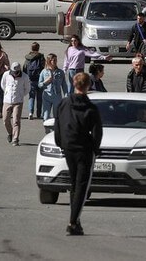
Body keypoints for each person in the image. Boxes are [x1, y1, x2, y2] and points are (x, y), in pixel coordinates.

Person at [54, 72, 103, 236]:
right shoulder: (91, 108)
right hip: (84, 149)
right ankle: (73, 222)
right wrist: (96, 148)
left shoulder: (64, 103)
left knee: (75, 183)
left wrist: (60, 143)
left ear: (74, 84)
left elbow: (58, 125)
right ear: (88, 86)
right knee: (82, 185)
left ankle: (76, 220)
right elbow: (97, 132)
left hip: (68, 147)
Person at [1, 61, 29, 146]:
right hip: (7, 100)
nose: (15, 74)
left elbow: (27, 88)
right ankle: (10, 133)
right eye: (13, 72)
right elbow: (3, 84)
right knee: (5, 120)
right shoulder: (6, 75)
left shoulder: (24, 77)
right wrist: (6, 93)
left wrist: (21, 95)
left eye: (17, 73)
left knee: (16, 120)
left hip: (18, 101)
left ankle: (15, 138)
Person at [39, 54, 66, 120]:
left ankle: (56, 130)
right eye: (52, 60)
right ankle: (47, 130)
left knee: (56, 116)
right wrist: (46, 82)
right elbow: (39, 85)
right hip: (46, 96)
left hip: (57, 96)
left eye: (55, 60)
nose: (54, 61)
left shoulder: (60, 72)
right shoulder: (44, 72)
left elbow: (64, 85)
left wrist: (66, 95)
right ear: (49, 61)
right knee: (45, 116)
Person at [24, 42, 46, 120]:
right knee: (39, 97)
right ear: (38, 48)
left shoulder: (28, 57)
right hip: (39, 79)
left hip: (31, 80)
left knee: (31, 97)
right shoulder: (41, 57)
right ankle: (39, 113)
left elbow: (25, 68)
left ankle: (30, 112)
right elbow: (44, 67)